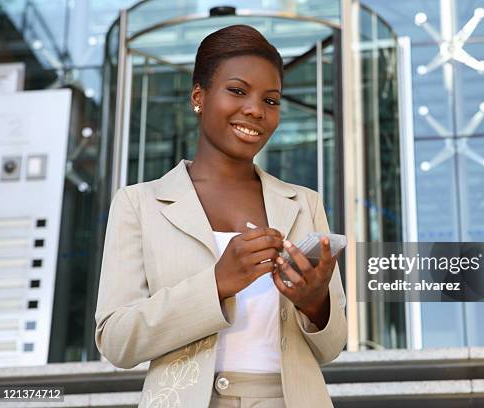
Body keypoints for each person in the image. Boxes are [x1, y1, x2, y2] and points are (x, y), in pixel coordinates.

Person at [94, 24, 347, 408]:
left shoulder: (304, 204)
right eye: (238, 91)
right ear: (199, 96)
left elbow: (332, 347)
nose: (255, 110)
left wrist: (315, 304)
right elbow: (115, 340)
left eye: (271, 100)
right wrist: (216, 283)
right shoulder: (139, 203)